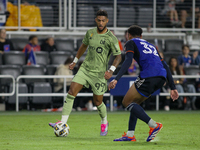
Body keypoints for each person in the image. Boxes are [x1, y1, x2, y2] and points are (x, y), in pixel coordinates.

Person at [49, 10, 122, 136]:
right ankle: (62, 123)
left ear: (107, 21)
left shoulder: (111, 38)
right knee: (71, 92)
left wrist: (111, 71)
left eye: (103, 20)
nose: (100, 23)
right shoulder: (90, 33)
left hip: (99, 74)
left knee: (98, 102)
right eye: (98, 20)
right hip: (85, 69)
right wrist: (75, 61)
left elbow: (118, 57)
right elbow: (83, 46)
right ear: (95, 20)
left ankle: (104, 122)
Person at [109, 25, 179, 142]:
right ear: (141, 36)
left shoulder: (130, 42)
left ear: (129, 35)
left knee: (126, 102)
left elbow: (128, 60)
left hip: (149, 75)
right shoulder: (152, 45)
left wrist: (117, 78)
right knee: (135, 103)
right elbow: (165, 65)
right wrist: (172, 86)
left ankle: (154, 125)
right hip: (161, 77)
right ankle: (130, 135)